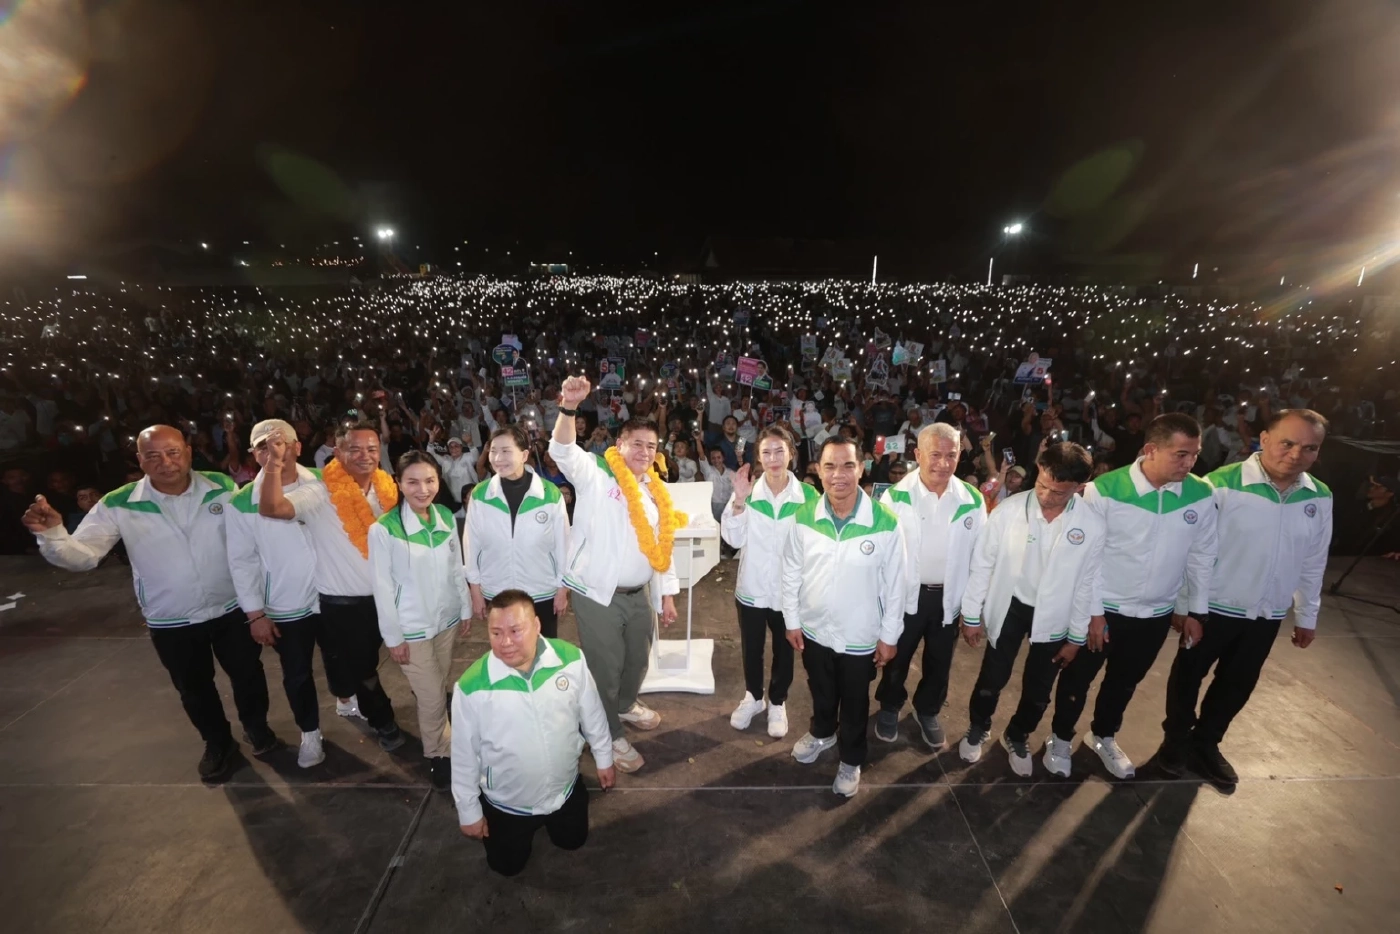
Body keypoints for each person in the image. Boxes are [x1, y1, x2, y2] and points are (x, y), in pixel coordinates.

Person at [24, 424, 277, 780]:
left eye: (173, 452)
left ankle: (257, 728)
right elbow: (84, 556)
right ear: (140, 460)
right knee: (194, 688)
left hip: (231, 608)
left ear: (188, 452)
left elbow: (250, 539)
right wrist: (52, 534)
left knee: (248, 675)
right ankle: (218, 743)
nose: (166, 463)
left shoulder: (221, 486)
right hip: (171, 618)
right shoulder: (119, 503)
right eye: (153, 456)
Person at [1159, 409, 1332, 788]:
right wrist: (1185, 604)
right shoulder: (1219, 485)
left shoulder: (1319, 496)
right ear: (1264, 439)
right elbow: (1191, 549)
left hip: (1267, 612)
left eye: (1309, 448)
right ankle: (1175, 742)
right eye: (1287, 443)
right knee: (1188, 676)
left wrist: (1306, 614)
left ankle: (1206, 744)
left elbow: (1313, 559)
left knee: (1238, 683)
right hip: (1212, 607)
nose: (1296, 454)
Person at [1044, 414, 1217, 779]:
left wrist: (1195, 612)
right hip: (1104, 609)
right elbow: (1085, 557)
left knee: (1125, 681)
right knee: (1078, 678)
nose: (1189, 463)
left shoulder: (1202, 494)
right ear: (1151, 450)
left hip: (1155, 614)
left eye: (1194, 454)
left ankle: (1103, 735)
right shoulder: (1105, 490)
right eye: (1181, 454)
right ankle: (1059, 738)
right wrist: (1093, 613)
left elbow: (1201, 556)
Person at [549, 376, 680, 774]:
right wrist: (569, 408)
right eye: (636, 443)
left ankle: (624, 705)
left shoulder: (655, 490)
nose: (644, 452)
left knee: (637, 660)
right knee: (605, 668)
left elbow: (662, 545)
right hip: (598, 594)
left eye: (651, 446)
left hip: (639, 593)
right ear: (619, 444)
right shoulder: (596, 473)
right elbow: (562, 449)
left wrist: (666, 594)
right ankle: (606, 733)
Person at [259, 420, 408, 752]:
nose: (364, 455)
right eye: (354, 449)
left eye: (371, 449)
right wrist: (273, 464)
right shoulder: (320, 492)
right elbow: (271, 508)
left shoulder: (388, 488)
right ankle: (382, 720)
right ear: (337, 452)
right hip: (345, 605)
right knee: (364, 670)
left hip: (393, 596)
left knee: (410, 657)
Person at [958, 442, 1105, 776]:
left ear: (1079, 487)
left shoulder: (1091, 524)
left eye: (1058, 492)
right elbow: (982, 564)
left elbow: (1087, 582)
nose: (1046, 497)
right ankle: (979, 725)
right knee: (992, 676)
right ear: (1038, 470)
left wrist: (1076, 637)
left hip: (1055, 615)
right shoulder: (1009, 511)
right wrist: (971, 614)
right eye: (1042, 485)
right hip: (1011, 606)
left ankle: (1017, 734)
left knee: (1040, 688)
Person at [452, 591, 615, 876]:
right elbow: (463, 755)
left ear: (537, 625)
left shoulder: (570, 659)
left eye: (515, 631)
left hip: (564, 792)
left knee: (573, 842)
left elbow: (592, 713)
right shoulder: (471, 687)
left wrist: (604, 757)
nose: (505, 642)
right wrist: (469, 811)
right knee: (506, 868)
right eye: (496, 633)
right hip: (508, 806)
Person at [783, 437, 905, 797]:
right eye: (830, 466)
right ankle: (822, 733)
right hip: (814, 629)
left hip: (859, 634)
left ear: (861, 468)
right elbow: (791, 572)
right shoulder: (804, 516)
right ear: (818, 471)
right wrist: (792, 620)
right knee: (821, 690)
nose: (839, 474)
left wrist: (889, 636)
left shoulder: (885, 522)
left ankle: (851, 759)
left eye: (848, 465)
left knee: (854, 701)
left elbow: (896, 586)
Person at [874, 424, 986, 750]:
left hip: (948, 598)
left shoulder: (972, 500)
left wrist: (972, 612)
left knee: (940, 661)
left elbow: (981, 560)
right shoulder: (895, 497)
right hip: (906, 597)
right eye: (935, 454)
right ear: (918, 454)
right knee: (897, 656)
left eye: (951, 455)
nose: (943, 463)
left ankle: (928, 710)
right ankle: (890, 705)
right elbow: (881, 557)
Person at [227, 419, 332, 768]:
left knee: (344, 657)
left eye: (281, 442)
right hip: (287, 603)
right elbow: (241, 561)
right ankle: (310, 733)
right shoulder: (243, 501)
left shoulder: (326, 480)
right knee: (297, 673)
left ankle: (349, 699)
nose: (273, 450)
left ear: (297, 447)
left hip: (333, 591)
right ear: (254, 455)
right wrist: (255, 613)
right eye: (263, 446)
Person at [370, 450, 470, 789]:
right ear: (398, 483)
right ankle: (438, 754)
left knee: (438, 685)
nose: (423, 489)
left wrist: (464, 608)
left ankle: (444, 737)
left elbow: (456, 566)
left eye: (429, 480)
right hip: (412, 629)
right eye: (412, 482)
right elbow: (382, 588)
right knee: (431, 697)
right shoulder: (384, 529)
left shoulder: (444, 516)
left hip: (446, 621)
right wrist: (393, 637)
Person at [721, 425, 819, 739]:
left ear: (791, 453)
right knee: (751, 648)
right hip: (752, 589)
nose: (773, 458)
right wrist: (739, 500)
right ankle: (753, 697)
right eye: (766, 452)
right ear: (759, 458)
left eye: (779, 451)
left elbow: (817, 545)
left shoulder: (808, 496)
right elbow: (733, 539)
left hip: (789, 592)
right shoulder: (749, 491)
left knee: (784, 650)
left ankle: (777, 701)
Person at [465, 425, 571, 638]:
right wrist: (475, 590)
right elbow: (471, 545)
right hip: (497, 591)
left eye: (506, 451)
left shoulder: (549, 494)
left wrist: (562, 588)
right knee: (506, 649)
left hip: (541, 591)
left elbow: (564, 546)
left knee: (543, 649)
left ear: (524, 455)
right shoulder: (480, 495)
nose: (498, 458)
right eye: (493, 451)